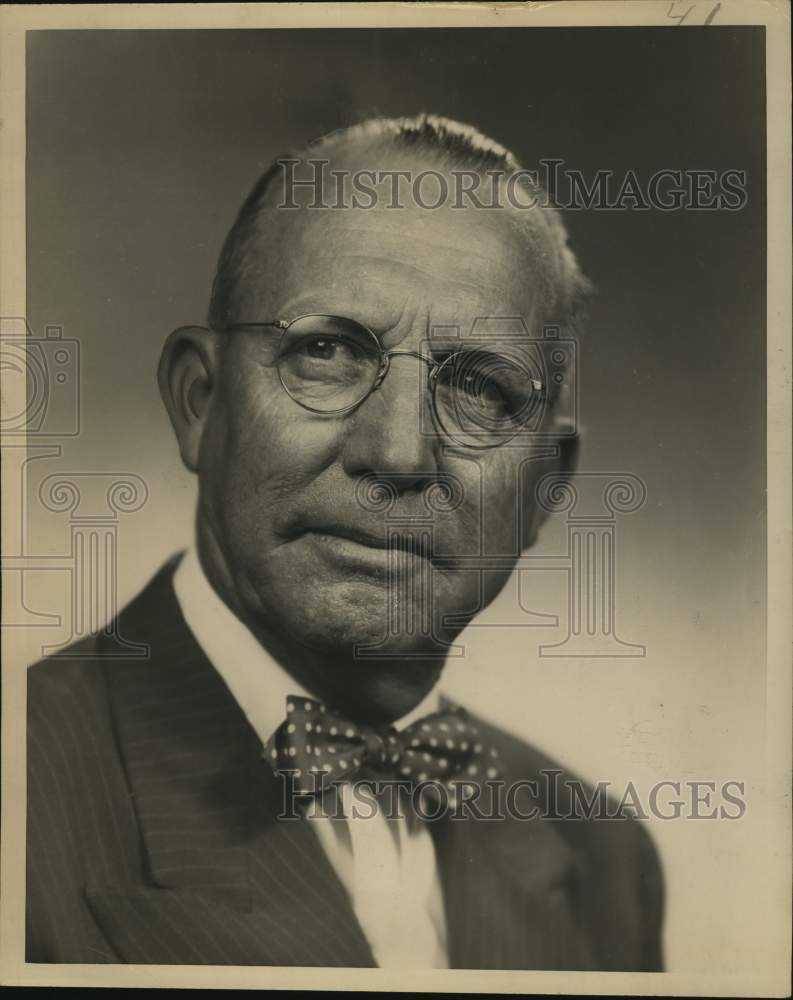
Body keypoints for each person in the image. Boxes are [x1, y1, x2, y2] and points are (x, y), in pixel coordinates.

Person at [26, 114, 664, 969]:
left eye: (479, 386)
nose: (397, 454)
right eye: (326, 353)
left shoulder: (603, 858)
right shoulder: (22, 790)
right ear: (198, 401)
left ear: (545, 485)